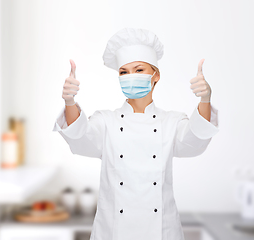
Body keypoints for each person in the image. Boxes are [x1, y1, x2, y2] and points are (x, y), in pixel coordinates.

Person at [53, 27, 219, 240]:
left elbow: (195, 141)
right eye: (124, 72)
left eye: (139, 70)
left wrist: (205, 100)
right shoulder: (106, 121)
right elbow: (80, 137)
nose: (131, 76)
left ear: (156, 75)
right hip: (114, 232)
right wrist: (69, 101)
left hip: (161, 231)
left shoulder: (171, 121)